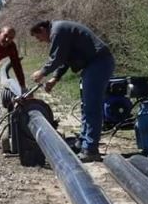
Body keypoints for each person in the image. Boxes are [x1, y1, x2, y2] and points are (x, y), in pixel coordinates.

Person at [29, 20, 115, 162]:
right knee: (87, 106)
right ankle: (83, 143)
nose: (40, 41)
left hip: (99, 63)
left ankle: (91, 149)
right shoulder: (60, 30)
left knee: (92, 107)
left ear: (42, 29)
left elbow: (57, 57)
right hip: (93, 65)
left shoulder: (58, 30)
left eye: (39, 37)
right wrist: (54, 78)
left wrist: (42, 72)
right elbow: (64, 60)